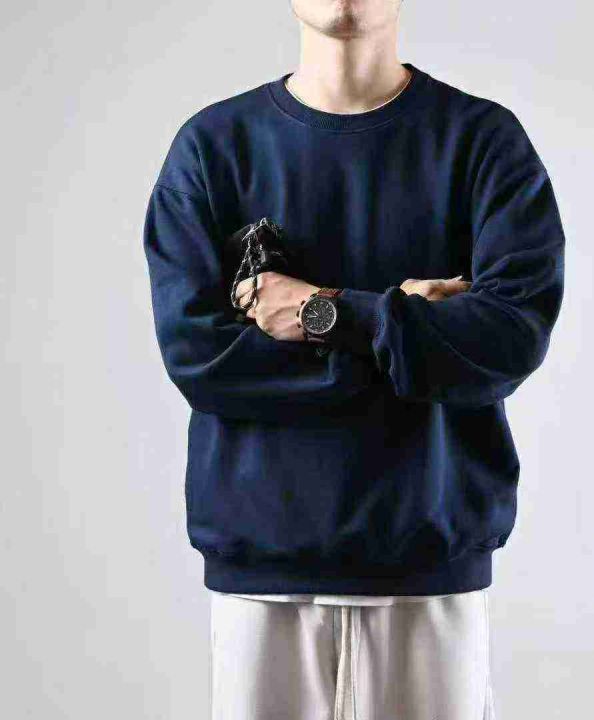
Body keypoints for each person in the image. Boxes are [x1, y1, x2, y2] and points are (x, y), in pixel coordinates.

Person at [142, 1, 566, 718]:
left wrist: (332, 312)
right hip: (262, 574)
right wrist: (411, 333)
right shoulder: (214, 147)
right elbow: (202, 359)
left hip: (429, 570)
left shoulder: (482, 142)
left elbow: (508, 340)